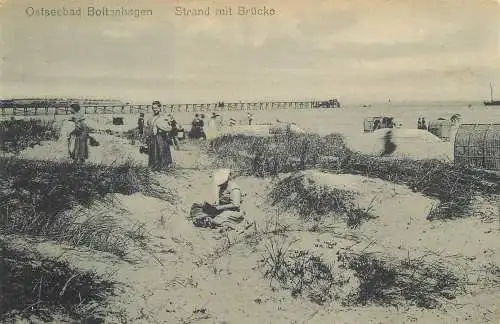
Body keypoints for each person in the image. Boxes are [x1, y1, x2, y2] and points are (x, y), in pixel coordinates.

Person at [144, 100, 173, 171]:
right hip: (152, 139)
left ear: (160, 108)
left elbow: (169, 128)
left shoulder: (163, 117)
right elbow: (147, 128)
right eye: (153, 108)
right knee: (153, 153)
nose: (155, 109)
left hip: (161, 138)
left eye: (156, 108)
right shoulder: (150, 118)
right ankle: (154, 168)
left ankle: (163, 168)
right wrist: (147, 138)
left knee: (161, 152)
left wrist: (161, 129)